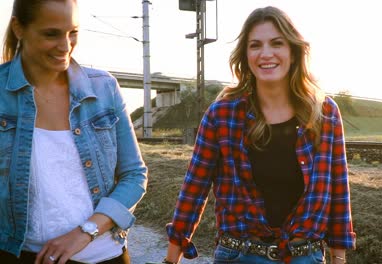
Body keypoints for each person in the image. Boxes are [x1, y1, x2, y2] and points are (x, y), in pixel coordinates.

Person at [162, 5, 356, 264]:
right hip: (239, 255)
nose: (266, 54)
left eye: (277, 43)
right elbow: (194, 188)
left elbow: (338, 188)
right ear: (245, 55)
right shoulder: (222, 114)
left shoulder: (325, 112)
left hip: (305, 256)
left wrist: (339, 257)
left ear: (293, 51)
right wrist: (170, 259)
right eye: (255, 45)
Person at [0, 0, 148, 263]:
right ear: (18, 28)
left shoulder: (104, 88)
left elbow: (134, 175)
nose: (66, 46)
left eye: (73, 32)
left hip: (107, 256)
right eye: (51, 33)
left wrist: (85, 232)